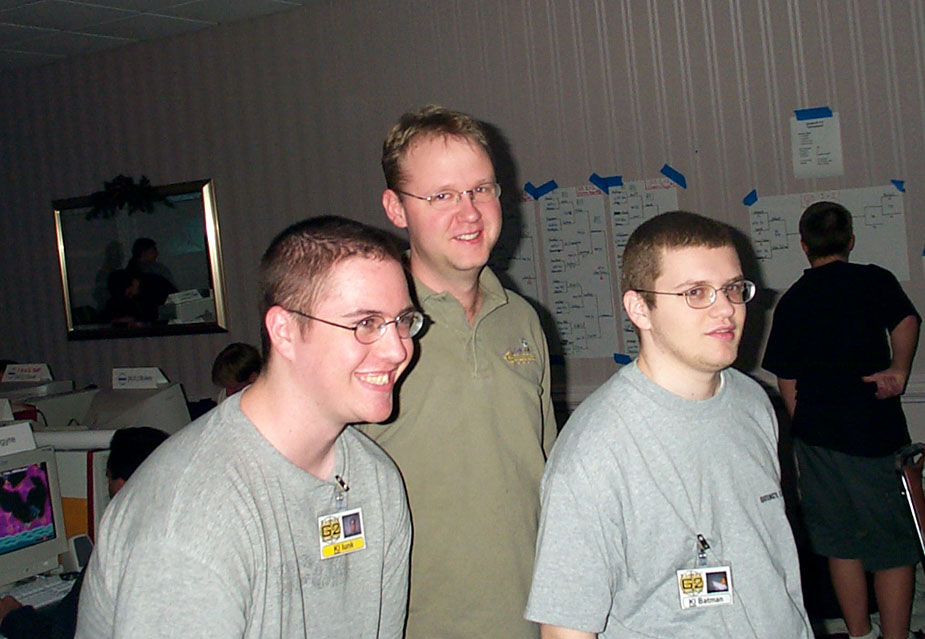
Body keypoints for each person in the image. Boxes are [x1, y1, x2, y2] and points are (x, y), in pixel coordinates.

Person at [77, 216, 418, 638]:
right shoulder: (192, 518)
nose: (398, 349)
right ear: (285, 331)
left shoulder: (376, 479)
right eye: (366, 323)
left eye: (404, 321)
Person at [526, 211, 813, 638]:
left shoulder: (754, 403)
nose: (726, 309)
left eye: (733, 288)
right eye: (696, 292)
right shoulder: (595, 452)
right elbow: (565, 629)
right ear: (640, 309)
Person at [359, 105, 557, 639]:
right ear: (396, 208)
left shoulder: (522, 320)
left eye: (481, 190)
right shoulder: (364, 329)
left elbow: (549, 481)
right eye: (442, 196)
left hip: (534, 619)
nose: (469, 214)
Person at [762, 201, 922, 639]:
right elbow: (908, 320)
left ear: (804, 246)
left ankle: (859, 634)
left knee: (841, 546)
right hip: (875, 432)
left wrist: (806, 423)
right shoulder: (874, 280)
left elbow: (786, 376)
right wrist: (899, 371)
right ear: (850, 240)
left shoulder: (794, 299)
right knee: (893, 548)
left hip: (818, 439)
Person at [0, 427, 169, 639]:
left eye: (108, 478)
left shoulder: (122, 547)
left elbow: (64, 633)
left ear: (123, 485)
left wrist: (10, 617)